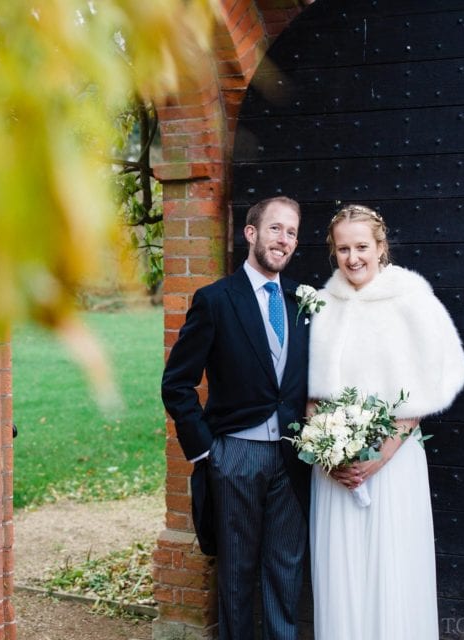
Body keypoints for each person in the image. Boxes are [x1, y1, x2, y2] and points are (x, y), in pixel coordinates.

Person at [307, 203, 464, 640]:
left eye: (362, 246)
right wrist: (327, 452)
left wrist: (376, 458)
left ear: (381, 248)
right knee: (343, 570)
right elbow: (311, 393)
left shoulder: (411, 299)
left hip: (393, 462)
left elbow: (425, 386)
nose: (353, 257)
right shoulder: (324, 304)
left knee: (391, 566)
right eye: (343, 249)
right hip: (336, 472)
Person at [162, 196, 310, 640]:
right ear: (251, 233)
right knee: (236, 576)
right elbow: (177, 384)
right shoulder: (215, 300)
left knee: (285, 573)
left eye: (291, 232)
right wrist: (208, 451)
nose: (283, 239)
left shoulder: (304, 303)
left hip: (291, 456)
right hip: (236, 455)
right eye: (275, 229)